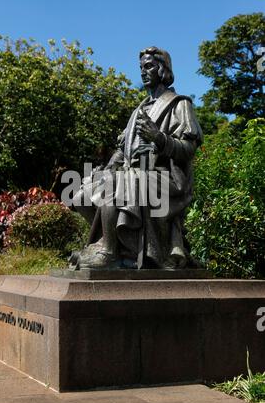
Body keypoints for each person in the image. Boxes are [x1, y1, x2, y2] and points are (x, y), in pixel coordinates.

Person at [71, 46, 203, 269]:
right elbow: (125, 149)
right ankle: (117, 245)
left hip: (168, 179)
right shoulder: (139, 110)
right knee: (81, 194)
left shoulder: (179, 104)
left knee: (116, 184)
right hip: (136, 172)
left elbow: (189, 148)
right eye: (141, 67)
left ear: (162, 70)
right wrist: (111, 164)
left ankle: (109, 253)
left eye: (149, 66)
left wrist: (160, 139)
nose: (143, 71)